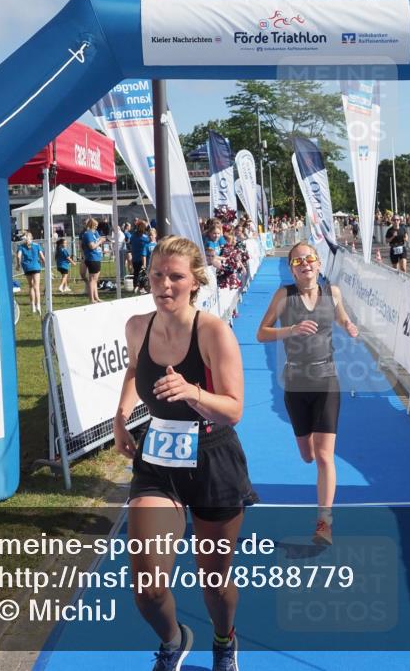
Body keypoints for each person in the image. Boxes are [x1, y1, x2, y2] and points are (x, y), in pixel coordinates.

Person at [112, 236, 256, 671]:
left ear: (195, 281)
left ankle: (224, 639)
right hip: (160, 458)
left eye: (176, 276)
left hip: (213, 456)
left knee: (213, 582)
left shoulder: (213, 331)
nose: (165, 285)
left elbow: (234, 409)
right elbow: (136, 367)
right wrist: (121, 416)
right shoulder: (137, 326)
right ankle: (174, 641)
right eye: (157, 275)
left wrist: (193, 391)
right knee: (149, 589)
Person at [256, 242, 359, 546]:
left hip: (327, 380)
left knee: (325, 456)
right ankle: (308, 450)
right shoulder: (284, 296)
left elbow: (339, 316)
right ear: (291, 268)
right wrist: (290, 330)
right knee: (307, 455)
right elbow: (261, 333)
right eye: (298, 261)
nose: (305, 264)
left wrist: (348, 324)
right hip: (296, 384)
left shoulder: (333, 293)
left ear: (318, 263)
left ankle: (324, 522)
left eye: (310, 258)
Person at [17, 231, 45, 313]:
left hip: (27, 267)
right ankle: (38, 305)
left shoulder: (21, 246)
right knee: (37, 287)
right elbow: (42, 257)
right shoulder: (37, 245)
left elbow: (19, 256)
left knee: (31, 286)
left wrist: (18, 265)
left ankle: (32, 305)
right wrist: (45, 264)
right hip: (36, 266)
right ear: (32, 237)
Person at [80, 218, 106, 304]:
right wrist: (100, 241)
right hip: (92, 258)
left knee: (95, 279)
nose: (97, 227)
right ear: (92, 225)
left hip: (97, 257)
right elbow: (92, 246)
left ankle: (96, 297)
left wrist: (101, 240)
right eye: (96, 225)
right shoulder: (88, 234)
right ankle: (92, 299)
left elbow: (98, 242)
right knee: (92, 280)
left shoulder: (95, 233)